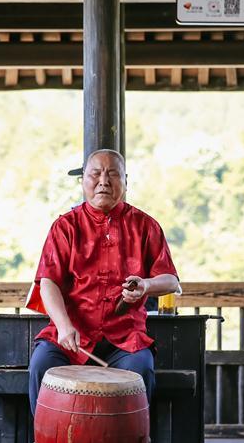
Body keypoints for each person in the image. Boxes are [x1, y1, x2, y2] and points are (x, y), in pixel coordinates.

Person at [26, 149, 181, 415]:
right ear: (83, 180)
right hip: (70, 336)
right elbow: (48, 282)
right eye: (95, 174)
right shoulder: (65, 226)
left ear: (125, 180)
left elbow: (171, 281)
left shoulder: (146, 226)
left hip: (125, 339)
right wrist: (63, 326)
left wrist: (145, 285)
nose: (103, 181)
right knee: (42, 366)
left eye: (112, 174)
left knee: (141, 372)